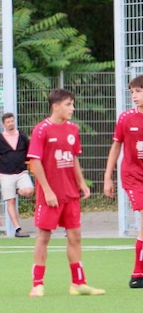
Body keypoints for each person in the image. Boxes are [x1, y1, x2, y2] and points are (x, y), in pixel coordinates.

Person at [27, 88, 104, 297]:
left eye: (72, 104)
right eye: (68, 104)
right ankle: (37, 284)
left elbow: (73, 157)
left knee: (75, 235)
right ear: (55, 106)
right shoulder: (41, 130)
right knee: (44, 236)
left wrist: (81, 182)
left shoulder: (73, 129)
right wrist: (47, 190)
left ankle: (78, 283)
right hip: (50, 195)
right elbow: (35, 161)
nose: (73, 108)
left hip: (70, 194)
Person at [103, 74, 143, 288]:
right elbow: (116, 147)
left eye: (138, 91)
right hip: (133, 177)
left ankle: (139, 274)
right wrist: (108, 176)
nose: (134, 96)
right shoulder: (126, 118)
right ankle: (137, 275)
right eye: (132, 92)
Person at [0, 113, 34, 237]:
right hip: (6, 174)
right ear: (4, 125)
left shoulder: (22, 136)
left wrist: (23, 161)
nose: (11, 123)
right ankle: (18, 229)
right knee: (11, 201)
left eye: (12, 121)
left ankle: (16, 190)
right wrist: (2, 164)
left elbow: (30, 151)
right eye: (8, 122)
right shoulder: (0, 139)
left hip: (21, 172)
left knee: (29, 191)